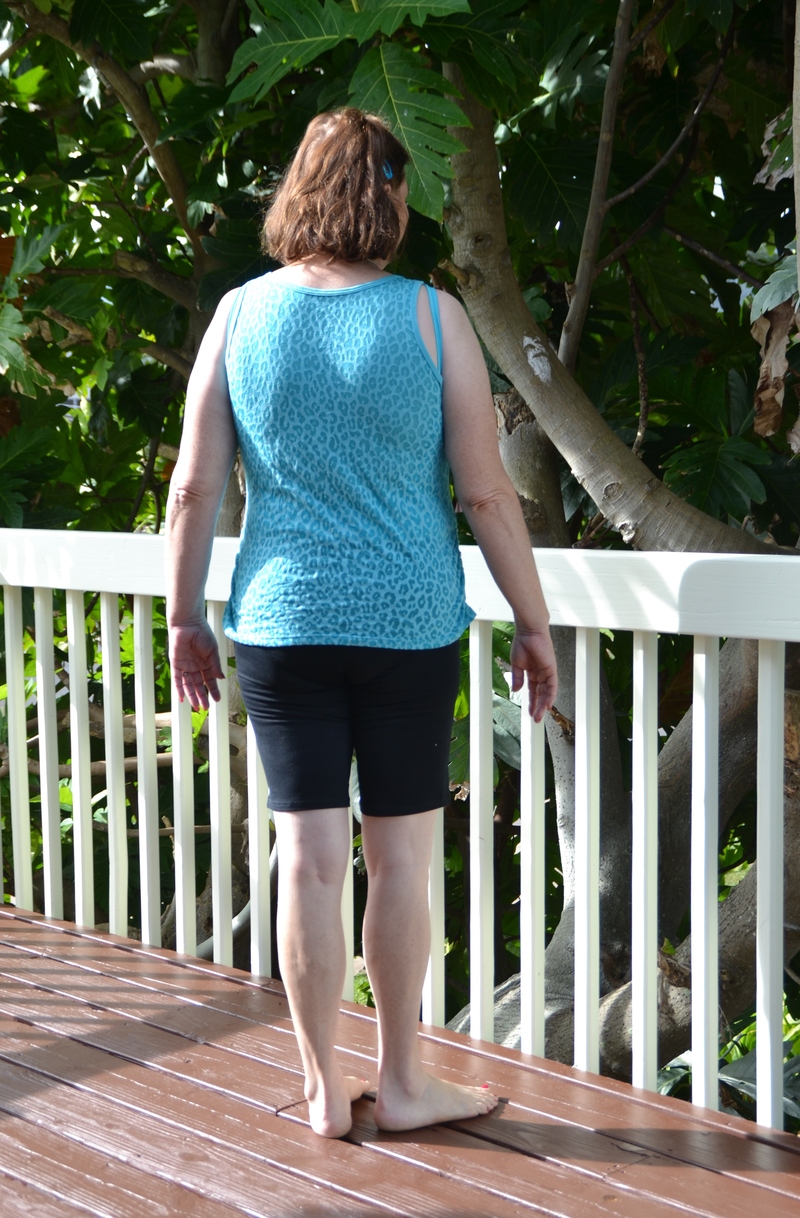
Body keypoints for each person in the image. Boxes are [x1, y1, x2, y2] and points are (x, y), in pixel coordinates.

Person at [165, 108, 557, 1139]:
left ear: (297, 188)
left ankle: (317, 1088)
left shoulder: (239, 316)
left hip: (281, 623)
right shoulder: (433, 317)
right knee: (400, 862)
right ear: (390, 196)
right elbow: (486, 493)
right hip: (408, 626)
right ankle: (404, 1081)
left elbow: (194, 486)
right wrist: (534, 622)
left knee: (305, 858)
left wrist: (183, 617)